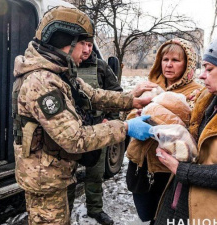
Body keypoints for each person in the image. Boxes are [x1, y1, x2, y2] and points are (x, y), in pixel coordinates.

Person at [12, 6, 153, 225]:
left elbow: (94, 95)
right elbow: (74, 138)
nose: (88, 52)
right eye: (83, 45)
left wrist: (132, 101)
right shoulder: (42, 82)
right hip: (44, 179)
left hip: (54, 172)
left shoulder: (59, 73)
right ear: (66, 44)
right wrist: (125, 128)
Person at [126, 38, 203, 224]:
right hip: (139, 163)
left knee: (163, 216)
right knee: (144, 213)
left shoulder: (197, 92)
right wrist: (135, 116)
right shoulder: (149, 85)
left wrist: (158, 111)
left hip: (166, 169)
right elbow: (129, 118)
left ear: (187, 64)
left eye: (175, 60)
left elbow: (191, 130)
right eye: (165, 59)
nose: (169, 64)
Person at [154, 38, 217, 224]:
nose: (202, 75)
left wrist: (180, 169)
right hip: (181, 197)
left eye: (209, 68)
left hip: (206, 208)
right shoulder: (208, 102)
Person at [67, 39, 122, 225]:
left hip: (97, 128)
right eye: (84, 44)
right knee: (67, 175)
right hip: (70, 131)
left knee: (95, 173)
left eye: (91, 45)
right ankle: (64, 212)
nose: (88, 49)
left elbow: (116, 95)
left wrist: (111, 119)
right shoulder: (65, 66)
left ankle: (95, 209)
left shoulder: (101, 68)